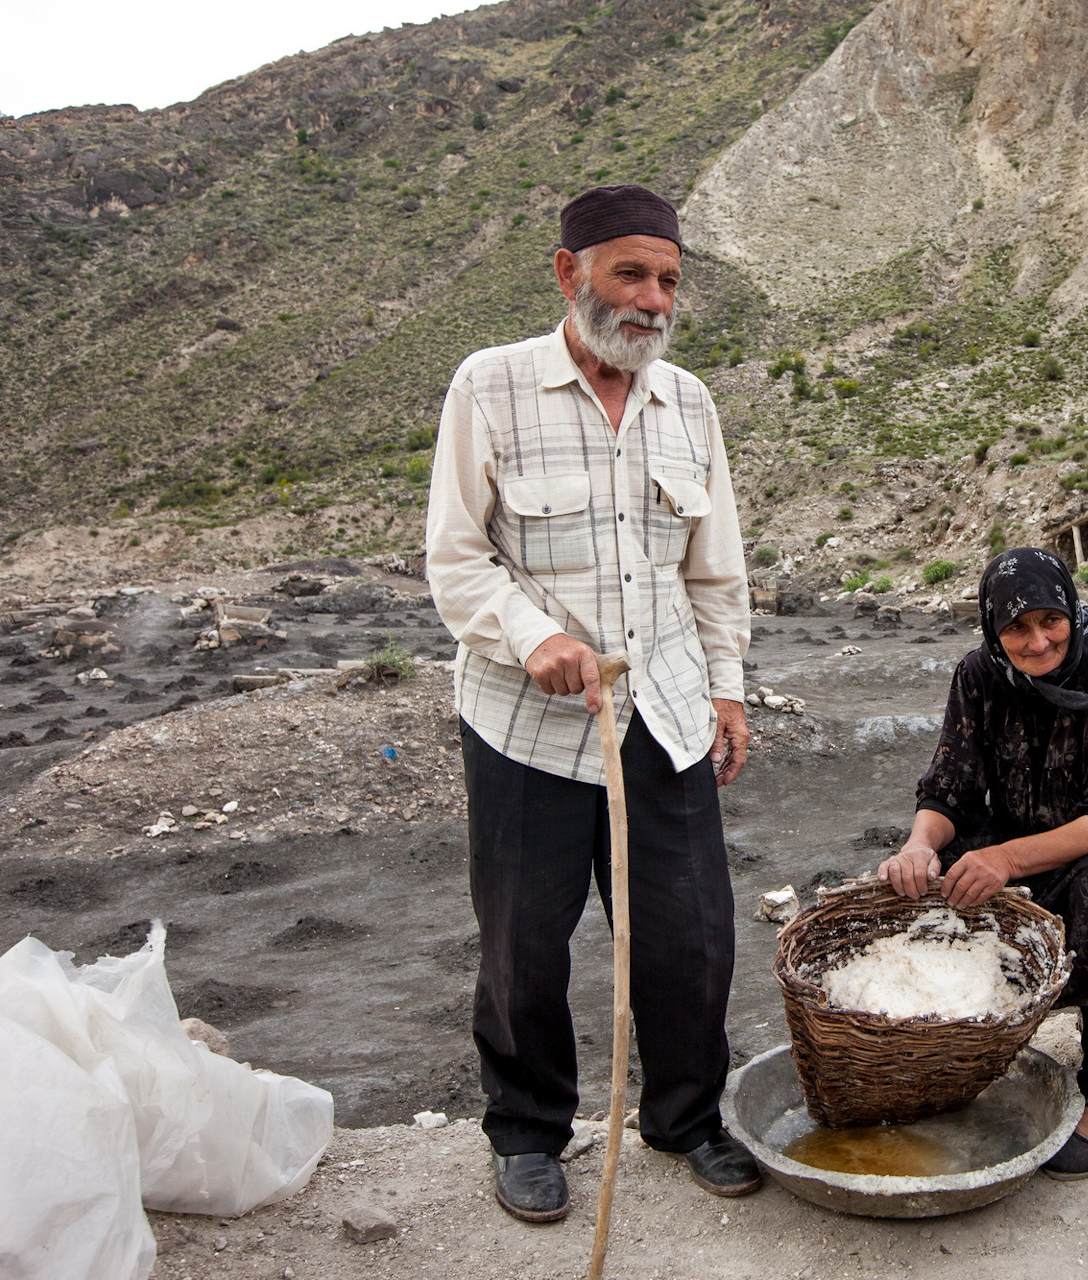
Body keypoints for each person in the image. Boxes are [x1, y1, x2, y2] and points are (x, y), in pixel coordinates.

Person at [426, 184, 760, 1222]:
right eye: (631, 273)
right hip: (526, 725)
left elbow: (715, 572)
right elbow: (456, 557)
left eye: (667, 279)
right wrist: (538, 638)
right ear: (569, 273)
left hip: (661, 710)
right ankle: (527, 1132)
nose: (653, 299)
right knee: (524, 939)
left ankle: (685, 1116)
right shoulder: (491, 386)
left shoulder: (687, 402)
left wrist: (726, 689)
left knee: (690, 931)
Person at [878, 547, 1088, 1180]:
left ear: (1069, 609)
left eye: (1050, 621)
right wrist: (919, 845)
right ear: (992, 629)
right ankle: (955, 1052)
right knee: (937, 874)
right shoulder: (979, 675)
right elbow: (949, 787)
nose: (1037, 643)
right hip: (1038, 813)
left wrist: (1006, 858)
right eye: (1016, 627)